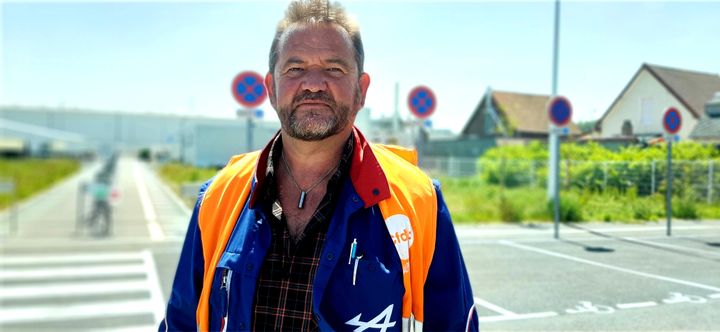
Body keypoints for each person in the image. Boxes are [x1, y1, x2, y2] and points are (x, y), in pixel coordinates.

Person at [161, 1, 478, 331]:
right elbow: (181, 322)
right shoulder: (217, 198)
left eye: (334, 69)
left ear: (361, 90)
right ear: (271, 88)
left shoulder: (419, 201)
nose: (313, 84)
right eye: (295, 69)